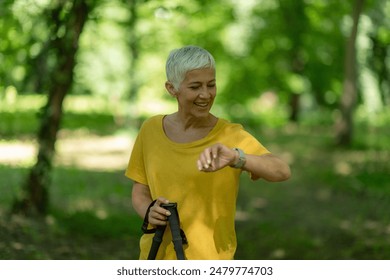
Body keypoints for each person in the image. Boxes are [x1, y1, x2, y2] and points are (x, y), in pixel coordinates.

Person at [125, 45, 291, 260]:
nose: (206, 94)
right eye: (195, 87)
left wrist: (236, 158)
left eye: (211, 85)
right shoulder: (151, 129)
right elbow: (140, 191)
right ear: (171, 88)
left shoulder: (230, 135)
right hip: (155, 257)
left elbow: (281, 171)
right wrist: (148, 210)